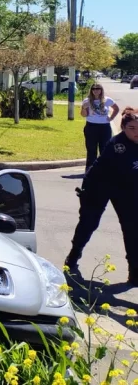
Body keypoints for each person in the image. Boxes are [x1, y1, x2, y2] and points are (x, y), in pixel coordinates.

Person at [66, 107, 138, 282]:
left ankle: (135, 272)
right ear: (123, 128)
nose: (137, 132)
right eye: (132, 128)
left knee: (133, 228)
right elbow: (129, 170)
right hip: (99, 185)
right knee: (89, 223)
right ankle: (73, 257)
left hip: (125, 188)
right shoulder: (118, 145)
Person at [80, 83, 119, 172]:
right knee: (91, 149)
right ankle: (90, 169)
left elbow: (116, 108)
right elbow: (83, 115)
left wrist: (111, 117)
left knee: (105, 148)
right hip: (91, 126)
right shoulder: (87, 101)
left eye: (98, 88)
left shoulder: (107, 100)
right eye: (94, 89)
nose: (96, 90)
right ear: (91, 90)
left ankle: (104, 169)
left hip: (104, 127)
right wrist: (83, 108)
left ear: (101, 90)